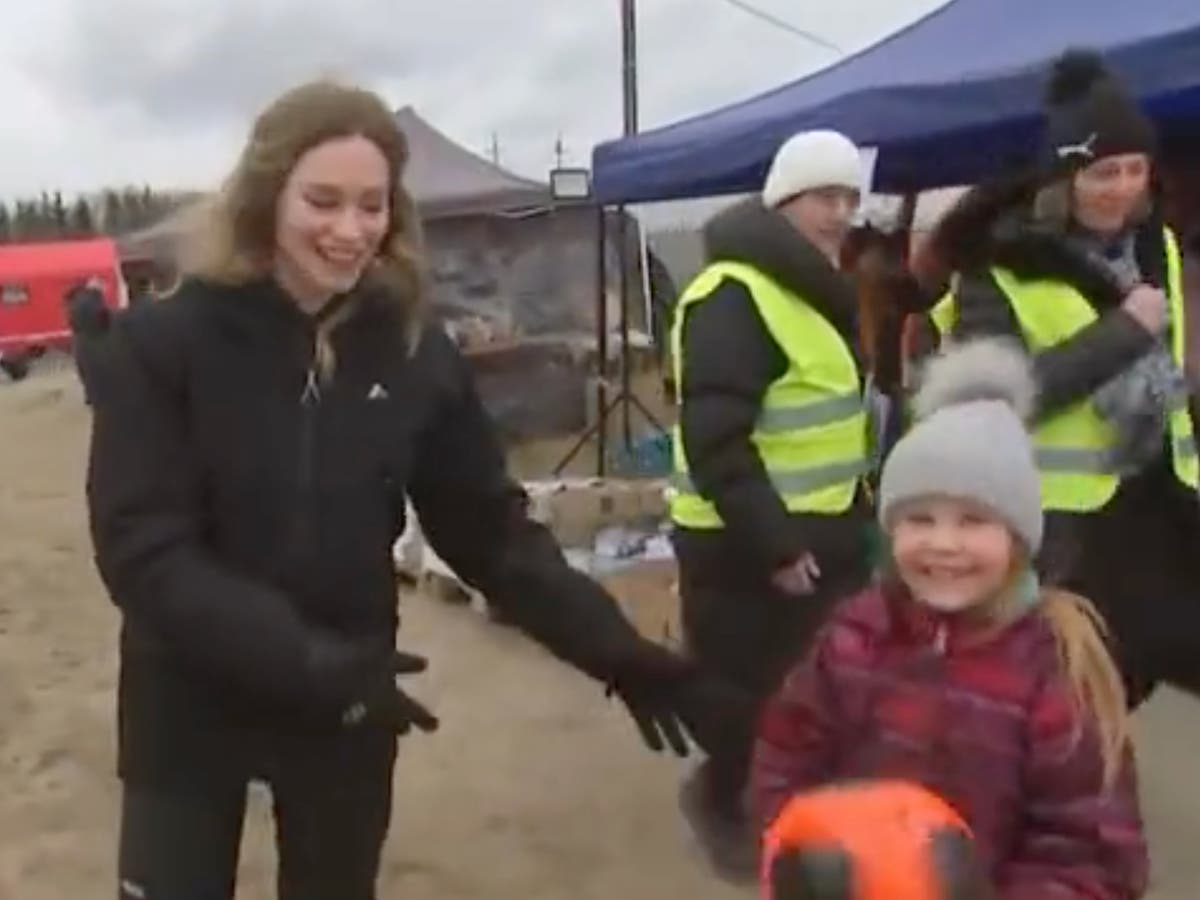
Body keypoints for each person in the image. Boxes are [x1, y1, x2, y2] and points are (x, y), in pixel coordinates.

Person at [86, 79, 731, 900]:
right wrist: (301, 657)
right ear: (264, 195)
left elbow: (488, 533)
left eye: (372, 205)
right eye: (322, 200)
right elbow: (144, 552)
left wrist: (617, 650)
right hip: (190, 696)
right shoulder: (161, 344)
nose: (350, 230)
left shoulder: (412, 350)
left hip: (350, 696)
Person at [751, 339, 1148, 900]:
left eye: (972, 521)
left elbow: (1094, 851)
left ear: (1018, 539)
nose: (944, 544)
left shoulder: (1055, 666)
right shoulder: (855, 636)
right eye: (919, 519)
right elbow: (786, 754)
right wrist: (794, 855)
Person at [920, 49, 1200, 707]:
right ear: (1063, 177)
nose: (1124, 188)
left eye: (1137, 170)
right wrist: (1123, 333)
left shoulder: (1152, 244)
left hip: (1166, 510)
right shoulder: (1001, 266)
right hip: (1066, 538)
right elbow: (991, 402)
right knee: (1070, 717)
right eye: (1105, 173)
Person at [668, 129, 874, 878]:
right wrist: (778, 547)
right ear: (784, 199)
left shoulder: (809, 291)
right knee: (744, 694)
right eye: (825, 196)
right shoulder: (734, 295)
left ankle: (787, 811)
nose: (841, 213)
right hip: (746, 546)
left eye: (851, 197)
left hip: (819, 535)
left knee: (812, 693)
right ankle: (724, 810)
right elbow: (718, 440)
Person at [64, 277, 112, 403]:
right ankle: (100, 395)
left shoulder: (75, 301)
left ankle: (89, 395)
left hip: (79, 340)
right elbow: (105, 319)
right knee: (98, 369)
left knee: (85, 370)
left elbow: (70, 321)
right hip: (96, 339)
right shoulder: (96, 301)